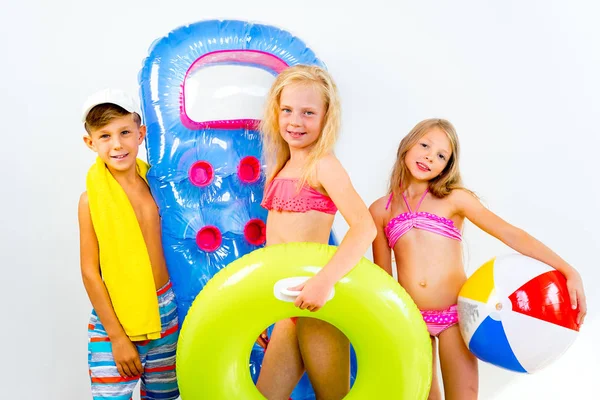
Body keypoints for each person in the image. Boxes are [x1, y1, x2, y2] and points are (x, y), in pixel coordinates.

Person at [369, 118, 587, 400]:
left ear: (447, 167)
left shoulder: (455, 199)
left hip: (455, 318)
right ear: (407, 144)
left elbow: (511, 234)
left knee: (464, 395)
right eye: (424, 145)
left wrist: (568, 270)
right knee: (421, 395)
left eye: (440, 156)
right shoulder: (380, 210)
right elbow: (383, 279)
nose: (429, 157)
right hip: (411, 319)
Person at [255, 65, 376, 400]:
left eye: (308, 113)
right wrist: (268, 311)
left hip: (317, 305)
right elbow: (275, 247)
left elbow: (365, 228)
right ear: (276, 112)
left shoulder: (323, 164)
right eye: (288, 111)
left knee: (331, 396)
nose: (296, 121)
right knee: (265, 395)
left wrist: (324, 282)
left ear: (326, 117)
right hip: (286, 305)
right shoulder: (280, 164)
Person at [78, 88, 179, 400]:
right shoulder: (90, 201)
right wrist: (118, 338)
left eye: (125, 132)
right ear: (90, 142)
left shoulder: (159, 186)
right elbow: (90, 272)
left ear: (141, 133)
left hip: (167, 312)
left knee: (165, 397)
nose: (117, 144)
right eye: (105, 136)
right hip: (117, 321)